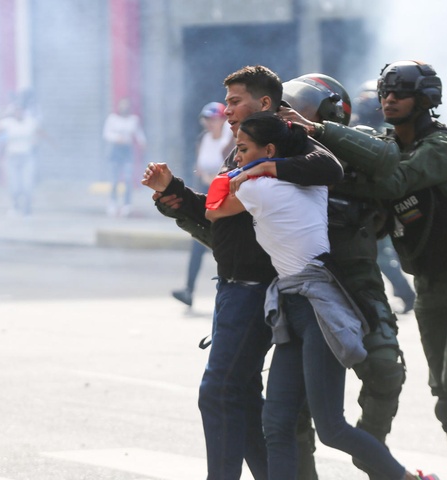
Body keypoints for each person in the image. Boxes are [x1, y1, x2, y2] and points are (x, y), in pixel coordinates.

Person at [288, 60, 447, 480]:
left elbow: (395, 182)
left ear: (425, 99)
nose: (389, 100)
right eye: (385, 93)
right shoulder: (384, 146)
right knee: (445, 395)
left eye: (400, 93)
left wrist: (321, 136)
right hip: (431, 279)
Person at [206, 111, 438, 480]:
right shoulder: (312, 182)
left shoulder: (256, 189)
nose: (236, 157)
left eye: (243, 149)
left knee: (330, 427)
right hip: (294, 303)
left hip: (315, 309)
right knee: (277, 423)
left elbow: (213, 210)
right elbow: (325, 165)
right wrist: (269, 160)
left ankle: (407, 478)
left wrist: (254, 172)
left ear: (269, 148)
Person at [141, 65, 342, 480]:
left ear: (264, 102)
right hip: (232, 288)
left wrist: (268, 166)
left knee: (218, 393)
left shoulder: (282, 142)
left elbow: (328, 168)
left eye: (235, 102)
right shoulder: (242, 149)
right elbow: (219, 215)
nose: (227, 111)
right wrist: (172, 192)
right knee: (243, 397)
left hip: (256, 290)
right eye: (228, 103)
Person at [349, 81, 417, 314]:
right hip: (363, 206)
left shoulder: (387, 136)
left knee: (383, 257)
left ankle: (405, 295)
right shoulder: (352, 130)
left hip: (376, 207)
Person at [171, 101, 233, 308]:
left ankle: (228, 291)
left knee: (225, 246)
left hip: (226, 200)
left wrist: (214, 179)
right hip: (206, 198)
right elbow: (199, 169)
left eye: (213, 119)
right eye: (207, 119)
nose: (209, 123)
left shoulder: (231, 140)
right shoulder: (203, 139)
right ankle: (188, 290)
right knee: (197, 243)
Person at [0, 102, 48, 216]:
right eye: (16, 111)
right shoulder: (7, 123)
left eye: (21, 110)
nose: (19, 113)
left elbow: (40, 132)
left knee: (27, 183)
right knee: (14, 184)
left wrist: (50, 142)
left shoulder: (30, 122)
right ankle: (15, 205)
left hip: (26, 157)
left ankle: (27, 207)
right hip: (12, 158)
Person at [103, 97, 146, 217]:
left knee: (127, 178)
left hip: (127, 151)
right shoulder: (112, 119)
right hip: (115, 151)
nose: (124, 107)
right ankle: (113, 203)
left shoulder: (133, 120)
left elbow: (139, 133)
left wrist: (143, 143)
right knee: (114, 178)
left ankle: (127, 204)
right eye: (122, 105)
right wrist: (118, 138)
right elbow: (106, 134)